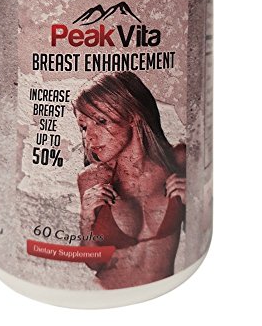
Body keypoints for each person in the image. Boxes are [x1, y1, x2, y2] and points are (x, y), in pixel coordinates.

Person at [74, 71, 186, 289]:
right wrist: (86, 217)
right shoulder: (92, 179)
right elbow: (93, 261)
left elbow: (197, 231)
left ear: (133, 115)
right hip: (104, 294)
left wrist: (196, 199)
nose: (89, 136)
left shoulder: (179, 159)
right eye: (84, 126)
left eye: (101, 121)